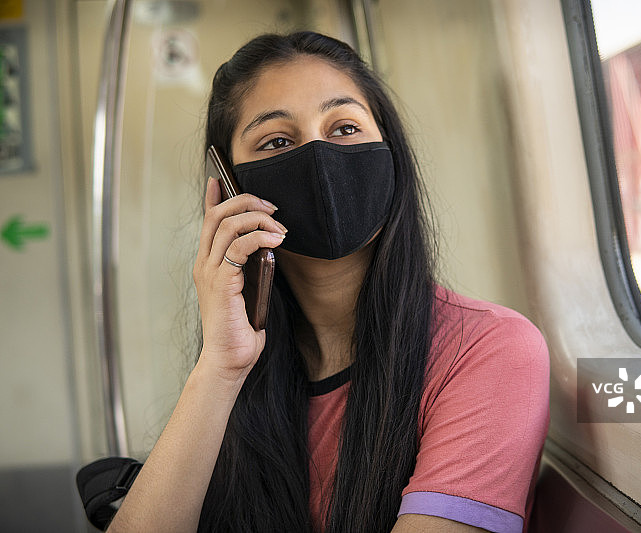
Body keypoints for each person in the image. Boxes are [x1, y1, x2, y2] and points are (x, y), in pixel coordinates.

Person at [108, 31, 549, 533]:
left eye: (344, 128)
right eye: (277, 141)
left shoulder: (490, 350)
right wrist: (219, 367)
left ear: (390, 152)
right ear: (231, 188)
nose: (319, 156)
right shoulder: (240, 374)